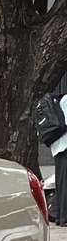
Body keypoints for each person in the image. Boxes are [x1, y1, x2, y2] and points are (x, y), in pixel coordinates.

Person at [46, 93, 67, 226]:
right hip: (64, 146)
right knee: (64, 184)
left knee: (61, 183)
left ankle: (59, 216)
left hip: (60, 147)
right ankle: (63, 218)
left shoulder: (63, 99)